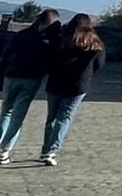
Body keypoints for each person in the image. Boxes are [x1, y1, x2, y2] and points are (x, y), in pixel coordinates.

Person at [0, 9, 60, 163]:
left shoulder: (22, 35)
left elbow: (5, 57)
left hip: (11, 75)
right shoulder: (49, 41)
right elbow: (51, 63)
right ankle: (5, 151)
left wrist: (0, 79)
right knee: (18, 116)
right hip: (31, 79)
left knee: (6, 111)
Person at [37, 13, 106, 165]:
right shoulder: (94, 42)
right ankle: (51, 151)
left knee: (52, 118)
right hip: (78, 85)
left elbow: (48, 58)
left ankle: (45, 149)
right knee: (65, 117)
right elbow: (99, 64)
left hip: (56, 83)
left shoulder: (60, 39)